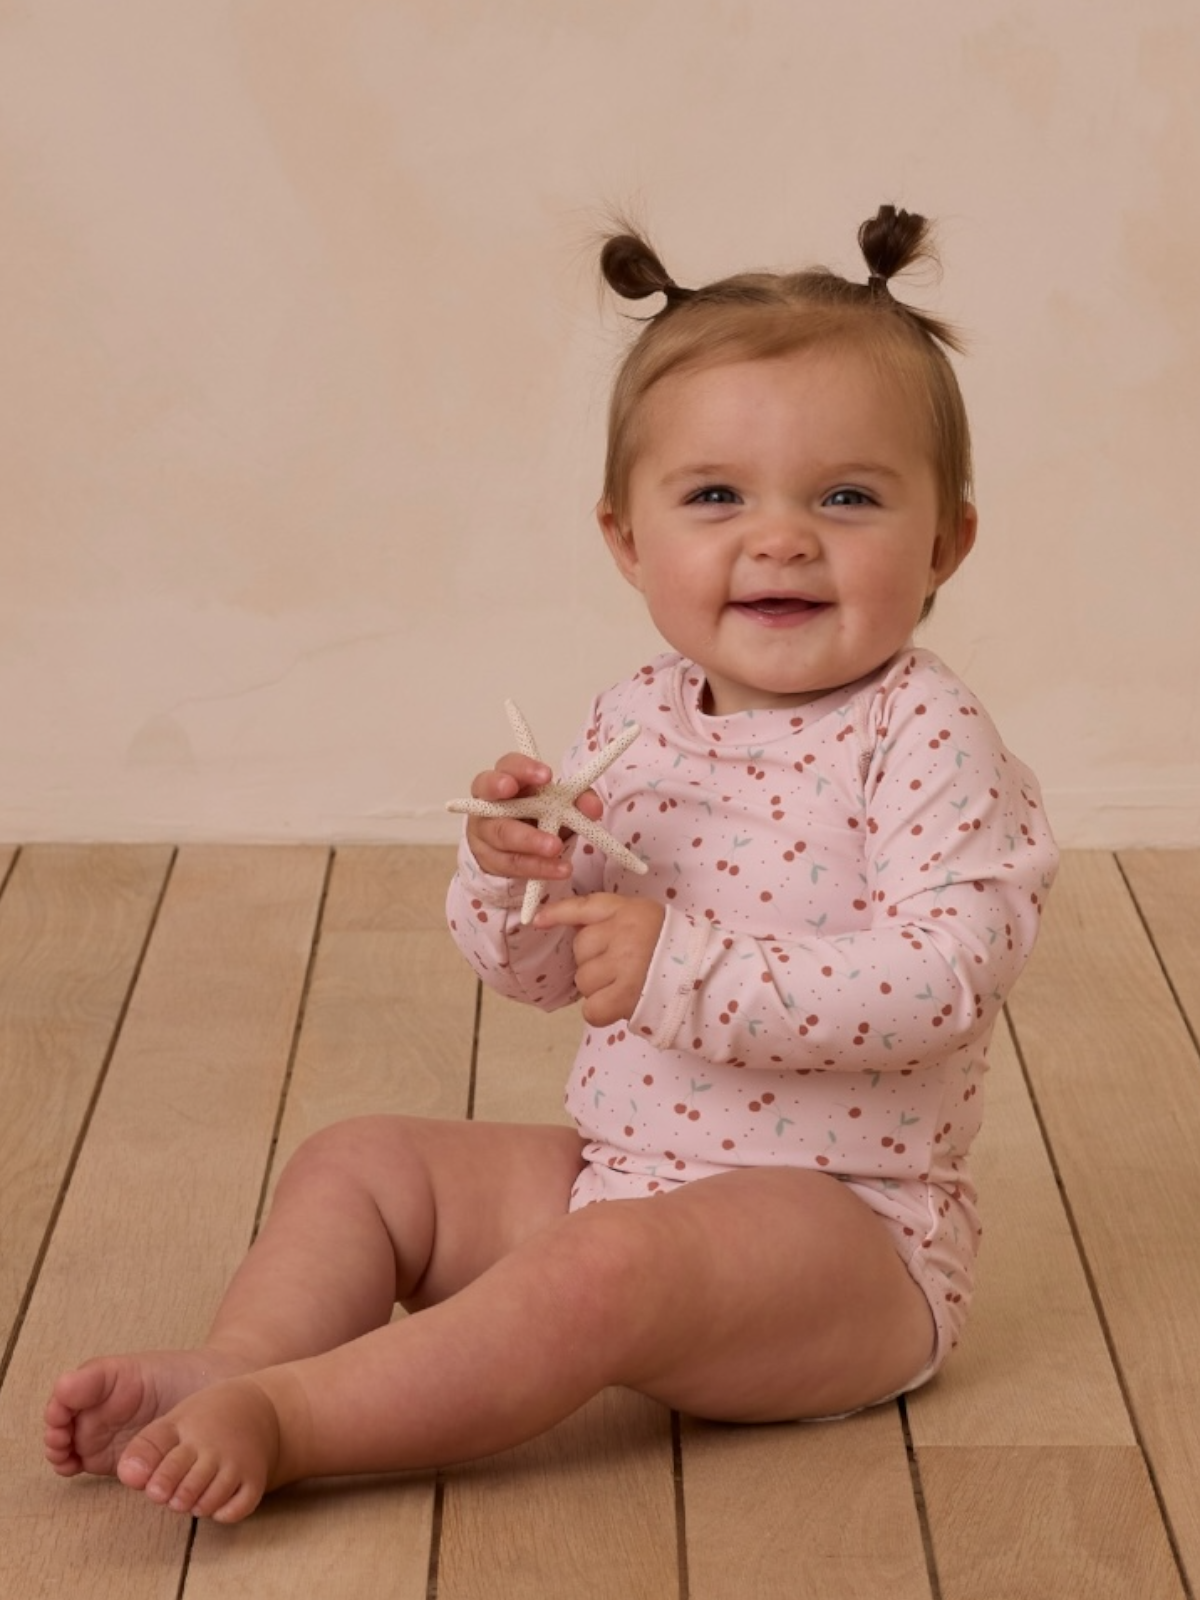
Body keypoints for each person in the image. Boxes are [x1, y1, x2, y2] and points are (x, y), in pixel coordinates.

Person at [44, 205, 1058, 1524]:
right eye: (715, 497)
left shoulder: (925, 731)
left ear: (946, 543)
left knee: (604, 1271)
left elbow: (947, 977)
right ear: (627, 541)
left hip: (845, 1234)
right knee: (366, 1162)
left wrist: (680, 968)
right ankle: (245, 1356)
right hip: (618, 1171)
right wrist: (518, 873)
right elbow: (545, 976)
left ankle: (302, 1418)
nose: (781, 537)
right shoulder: (630, 719)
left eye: (847, 496)